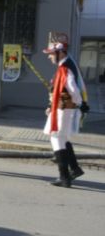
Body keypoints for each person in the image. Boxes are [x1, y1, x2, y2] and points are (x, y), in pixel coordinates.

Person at [42, 32, 87, 188]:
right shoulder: (66, 65)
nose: (49, 57)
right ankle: (73, 170)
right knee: (63, 139)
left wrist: (76, 103)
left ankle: (64, 177)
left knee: (56, 138)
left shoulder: (64, 68)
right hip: (64, 109)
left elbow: (74, 91)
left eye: (51, 54)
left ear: (59, 52)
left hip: (63, 110)